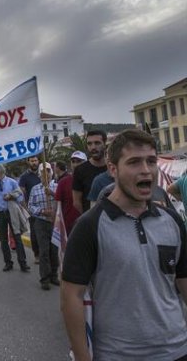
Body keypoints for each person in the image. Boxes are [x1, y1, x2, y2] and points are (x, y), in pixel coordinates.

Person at [61, 129, 187, 360]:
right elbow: (72, 296)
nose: (146, 170)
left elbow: (183, 281)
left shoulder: (172, 220)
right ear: (113, 169)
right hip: (118, 354)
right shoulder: (89, 226)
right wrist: (82, 356)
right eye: (134, 162)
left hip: (177, 350)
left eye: (151, 161)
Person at [0, 164, 31, 272]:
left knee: (17, 237)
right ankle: (8, 263)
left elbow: (20, 196)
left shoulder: (12, 182)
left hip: (11, 212)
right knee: (3, 239)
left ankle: (23, 263)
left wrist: (11, 196)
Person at [28, 163, 58, 290]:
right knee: (44, 251)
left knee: (54, 251)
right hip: (41, 222)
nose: (46, 175)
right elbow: (30, 206)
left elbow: (64, 201)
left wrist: (51, 193)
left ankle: (54, 275)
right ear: (40, 175)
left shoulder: (57, 187)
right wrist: (41, 211)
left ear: (52, 173)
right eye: (43, 173)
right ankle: (44, 279)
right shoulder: (35, 189)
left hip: (55, 222)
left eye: (48, 172)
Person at [72, 130, 107, 214]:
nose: (93, 147)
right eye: (89, 144)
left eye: (97, 143)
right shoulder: (80, 170)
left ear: (105, 144)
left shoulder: (114, 167)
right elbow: (77, 202)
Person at [54, 153, 86, 235]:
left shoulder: (92, 180)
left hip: (89, 225)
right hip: (69, 227)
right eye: (73, 161)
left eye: (79, 161)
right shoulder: (63, 182)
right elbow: (58, 206)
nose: (75, 164)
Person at [18, 155, 42, 262]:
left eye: (35, 160)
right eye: (32, 161)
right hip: (32, 209)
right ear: (28, 162)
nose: (34, 163)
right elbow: (22, 193)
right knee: (35, 232)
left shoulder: (44, 173)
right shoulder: (24, 177)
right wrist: (26, 208)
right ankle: (37, 254)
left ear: (38, 161)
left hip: (45, 207)